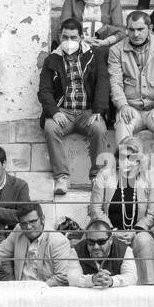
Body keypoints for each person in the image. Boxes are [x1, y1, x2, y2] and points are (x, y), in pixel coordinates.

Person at [39, 15, 110, 197]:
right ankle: (61, 177)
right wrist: (54, 112)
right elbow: (44, 91)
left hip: (87, 112)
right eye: (65, 37)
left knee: (99, 129)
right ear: (59, 36)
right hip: (64, 112)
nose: (69, 42)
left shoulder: (94, 56)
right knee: (50, 127)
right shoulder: (51, 60)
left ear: (81, 37)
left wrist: (98, 111)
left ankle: (97, 176)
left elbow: (103, 83)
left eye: (73, 38)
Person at [89, 139, 154, 286]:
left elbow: (152, 214)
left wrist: (135, 231)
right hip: (109, 233)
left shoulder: (149, 178)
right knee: (100, 240)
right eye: (122, 157)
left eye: (130, 157)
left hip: (135, 233)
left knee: (145, 240)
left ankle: (149, 288)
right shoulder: (104, 175)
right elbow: (95, 209)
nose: (125, 162)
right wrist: (111, 231)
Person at [0, 202, 84, 285]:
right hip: (20, 291)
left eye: (32, 221)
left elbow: (62, 277)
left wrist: (36, 290)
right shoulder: (18, 231)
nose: (28, 227)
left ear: (42, 219)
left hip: (45, 295)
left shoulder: (58, 241)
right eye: (24, 223)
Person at [75, 215, 138, 289]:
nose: (96, 247)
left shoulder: (125, 250)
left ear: (110, 240)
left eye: (101, 241)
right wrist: (92, 279)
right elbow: (72, 278)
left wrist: (111, 281)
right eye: (91, 242)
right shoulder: (76, 251)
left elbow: (132, 277)